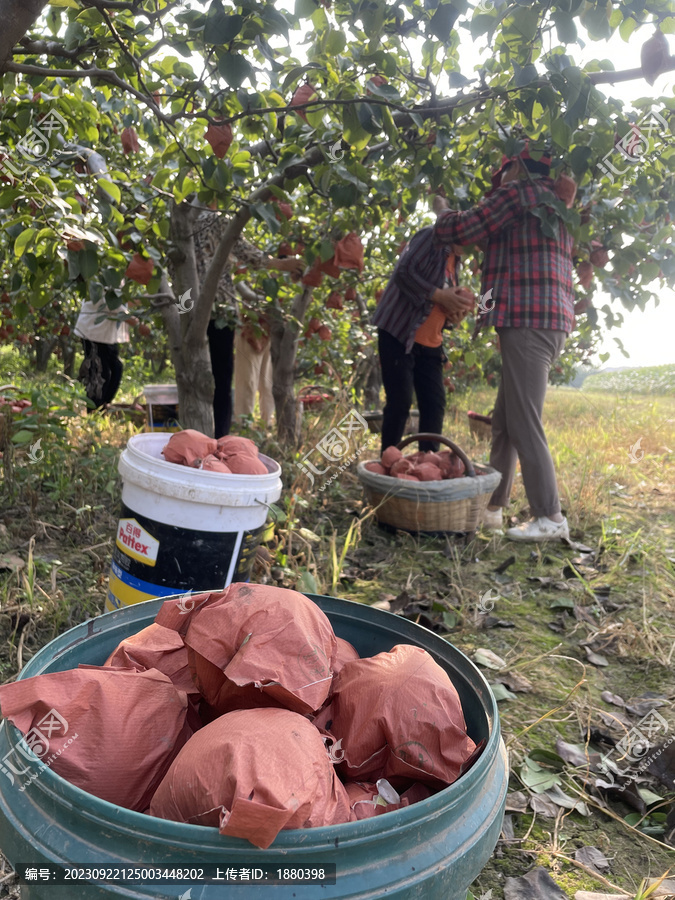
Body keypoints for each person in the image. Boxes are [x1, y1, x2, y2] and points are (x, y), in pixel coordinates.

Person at [434, 146, 574, 542]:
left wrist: (441, 209)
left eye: (503, 171)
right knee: (506, 422)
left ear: (514, 167)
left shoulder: (520, 193)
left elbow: (461, 229)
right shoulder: (553, 202)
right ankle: (492, 508)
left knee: (525, 421)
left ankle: (550, 516)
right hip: (544, 319)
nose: (501, 179)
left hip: (529, 318)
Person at [192, 211, 303, 438]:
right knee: (221, 382)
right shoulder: (215, 219)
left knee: (196, 377)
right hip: (219, 312)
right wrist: (281, 265)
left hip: (191, 311)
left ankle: (198, 436)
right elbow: (244, 251)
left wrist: (184, 313)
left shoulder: (179, 222)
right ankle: (218, 440)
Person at [372, 211, 475, 453]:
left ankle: (426, 465)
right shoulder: (432, 238)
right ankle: (389, 465)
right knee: (399, 403)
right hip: (400, 333)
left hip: (430, 343)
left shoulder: (455, 263)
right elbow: (403, 273)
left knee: (435, 404)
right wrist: (440, 296)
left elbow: (436, 308)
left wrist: (453, 316)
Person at [74, 299, 130, 409]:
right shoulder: (106, 282)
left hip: (107, 333)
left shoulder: (121, 282)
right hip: (93, 331)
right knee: (99, 372)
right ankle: (93, 409)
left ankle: (103, 406)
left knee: (116, 368)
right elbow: (112, 304)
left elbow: (122, 298)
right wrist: (136, 322)